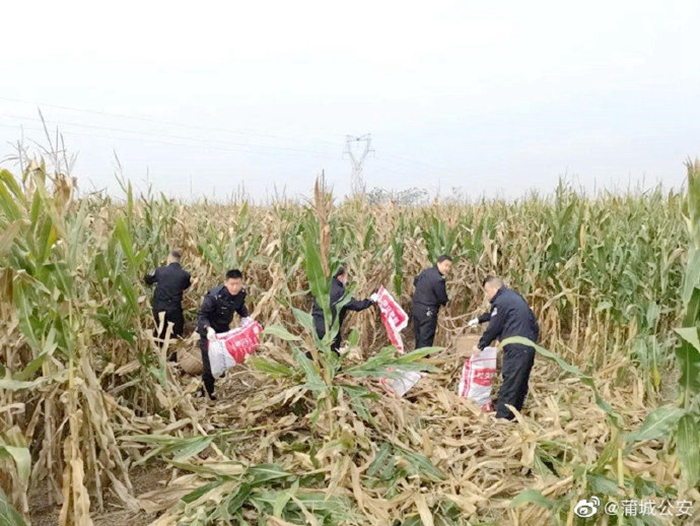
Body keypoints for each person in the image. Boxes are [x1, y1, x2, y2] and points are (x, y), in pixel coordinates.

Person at [469, 275, 539, 420]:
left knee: (511, 382)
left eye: (487, 292)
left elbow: (494, 326)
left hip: (516, 347)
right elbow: (497, 315)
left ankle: (503, 417)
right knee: (520, 381)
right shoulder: (512, 297)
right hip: (528, 345)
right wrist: (479, 319)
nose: (487, 296)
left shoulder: (501, 301)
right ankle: (515, 413)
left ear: (494, 288)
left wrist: (481, 345)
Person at [196, 269, 251, 400]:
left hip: (223, 332)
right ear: (226, 283)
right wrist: (208, 329)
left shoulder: (241, 294)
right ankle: (206, 393)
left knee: (221, 362)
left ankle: (215, 380)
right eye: (232, 284)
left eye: (238, 284)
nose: (235, 287)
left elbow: (239, 306)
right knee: (209, 365)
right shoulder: (214, 296)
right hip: (209, 333)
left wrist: (246, 318)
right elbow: (201, 315)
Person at [311, 267, 377, 354]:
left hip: (315, 325)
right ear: (341, 277)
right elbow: (358, 306)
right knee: (332, 356)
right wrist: (371, 300)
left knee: (315, 353)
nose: (346, 280)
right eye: (346, 277)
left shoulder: (322, 287)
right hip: (329, 330)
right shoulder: (340, 292)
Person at [144, 250, 191, 358]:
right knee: (175, 333)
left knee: (159, 331)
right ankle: (173, 357)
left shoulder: (160, 271)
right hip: (174, 309)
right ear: (179, 261)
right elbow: (185, 286)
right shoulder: (185, 275)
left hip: (159, 307)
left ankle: (158, 356)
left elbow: (149, 280)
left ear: (169, 259)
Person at [412, 254, 452, 349]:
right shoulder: (438, 279)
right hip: (428, 311)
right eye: (446, 265)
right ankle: (423, 361)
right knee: (426, 338)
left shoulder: (425, 272)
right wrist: (447, 303)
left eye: (449, 266)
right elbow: (442, 298)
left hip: (416, 308)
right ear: (438, 263)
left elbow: (415, 282)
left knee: (418, 336)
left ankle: (416, 358)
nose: (447, 268)